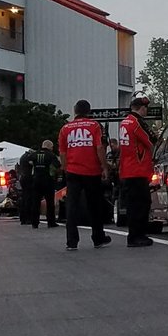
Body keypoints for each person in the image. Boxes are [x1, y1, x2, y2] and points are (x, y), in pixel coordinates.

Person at [58, 100, 111, 250]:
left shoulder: (65, 128)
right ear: (89, 111)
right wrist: (104, 167)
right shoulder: (95, 126)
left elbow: (62, 152)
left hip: (72, 171)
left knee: (72, 206)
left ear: (75, 111)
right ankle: (98, 238)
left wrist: (66, 168)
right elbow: (99, 147)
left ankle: (72, 241)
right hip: (91, 171)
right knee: (94, 205)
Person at [118, 96, 155, 247]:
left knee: (133, 205)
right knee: (142, 203)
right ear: (142, 108)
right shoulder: (137, 123)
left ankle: (134, 235)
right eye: (146, 108)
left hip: (127, 169)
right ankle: (137, 236)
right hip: (138, 169)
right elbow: (151, 140)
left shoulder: (124, 122)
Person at [18, 141, 59, 229]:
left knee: (35, 202)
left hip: (36, 180)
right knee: (50, 202)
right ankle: (51, 222)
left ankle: (34, 222)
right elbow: (57, 166)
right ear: (49, 147)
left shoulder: (34, 154)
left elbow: (28, 161)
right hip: (48, 181)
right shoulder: (51, 155)